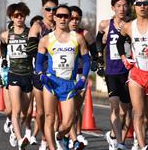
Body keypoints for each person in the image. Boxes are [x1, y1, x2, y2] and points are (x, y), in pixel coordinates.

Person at [36, 4, 90, 150]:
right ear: (54, 17)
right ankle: (52, 147)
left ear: (69, 18)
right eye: (59, 15)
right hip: (51, 82)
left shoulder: (78, 38)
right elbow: (39, 63)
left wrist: (83, 78)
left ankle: (59, 136)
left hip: (69, 84)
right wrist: (41, 74)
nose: (62, 18)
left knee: (68, 121)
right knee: (49, 117)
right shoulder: (46, 39)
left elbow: (86, 61)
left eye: (66, 16)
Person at [96, 0, 132, 149]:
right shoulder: (105, 24)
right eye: (118, 6)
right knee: (115, 107)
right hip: (112, 71)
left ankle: (112, 135)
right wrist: (98, 59)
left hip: (128, 72)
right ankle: (119, 142)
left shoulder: (132, 25)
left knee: (125, 112)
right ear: (113, 7)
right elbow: (99, 40)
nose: (122, 9)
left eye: (124, 5)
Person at [116, 0, 148, 149]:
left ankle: (138, 137)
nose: (142, 6)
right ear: (134, 6)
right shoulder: (129, 26)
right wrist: (124, 57)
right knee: (138, 112)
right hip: (137, 74)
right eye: (139, 3)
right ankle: (143, 147)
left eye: (146, 2)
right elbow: (119, 42)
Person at [27, 0, 58, 149]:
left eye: (54, 9)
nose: (51, 12)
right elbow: (31, 50)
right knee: (40, 112)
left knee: (53, 112)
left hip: (57, 74)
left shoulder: (60, 26)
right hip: (40, 73)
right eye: (48, 9)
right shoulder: (37, 26)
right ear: (42, 9)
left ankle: (48, 140)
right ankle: (42, 135)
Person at [0, 2, 32, 150]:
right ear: (11, 17)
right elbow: (2, 45)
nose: (19, 18)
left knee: (26, 113)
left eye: (22, 15)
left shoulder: (30, 33)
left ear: (25, 16)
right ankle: (20, 140)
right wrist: (4, 57)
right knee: (15, 110)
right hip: (14, 75)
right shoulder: (6, 35)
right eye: (16, 16)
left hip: (28, 75)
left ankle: (14, 130)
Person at [68, 5, 97, 149]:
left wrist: (97, 62)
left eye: (77, 19)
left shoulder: (84, 34)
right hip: (65, 75)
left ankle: (76, 133)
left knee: (76, 108)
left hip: (80, 74)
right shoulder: (61, 34)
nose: (74, 21)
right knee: (70, 108)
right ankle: (71, 136)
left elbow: (95, 52)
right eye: (71, 18)